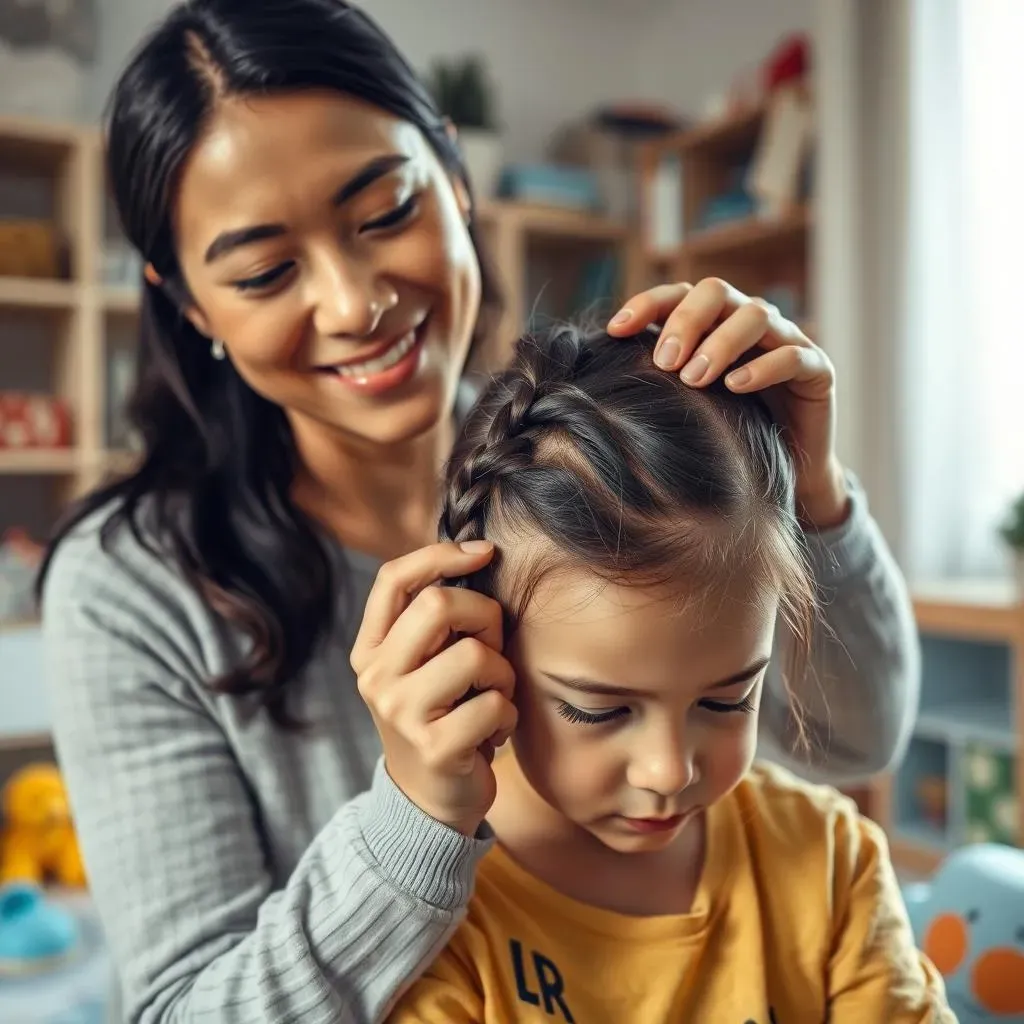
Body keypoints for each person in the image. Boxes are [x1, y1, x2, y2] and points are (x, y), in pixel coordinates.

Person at [35, 1, 918, 1022]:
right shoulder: (125, 584)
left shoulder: (563, 462)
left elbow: (858, 742)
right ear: (189, 303)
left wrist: (808, 491)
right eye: (267, 270)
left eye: (384, 212)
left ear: (453, 177)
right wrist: (413, 815)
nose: (353, 300)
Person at [383, 324, 951, 1024]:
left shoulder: (830, 864)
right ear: (474, 652)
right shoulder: (437, 933)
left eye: (727, 699)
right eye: (599, 710)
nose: (667, 770)